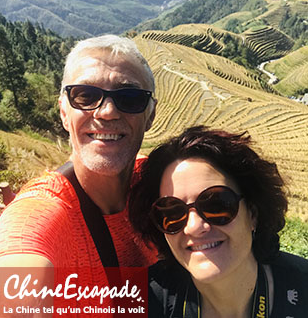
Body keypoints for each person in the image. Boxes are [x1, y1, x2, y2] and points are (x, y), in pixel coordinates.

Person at [0, 35, 157, 313]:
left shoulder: (162, 184)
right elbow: (16, 275)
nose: (106, 112)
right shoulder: (42, 212)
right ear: (63, 112)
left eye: (129, 98)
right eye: (86, 95)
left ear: (151, 115)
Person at [129, 126, 308, 318]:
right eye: (172, 212)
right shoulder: (141, 300)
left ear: (253, 214)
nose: (194, 227)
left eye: (216, 204)